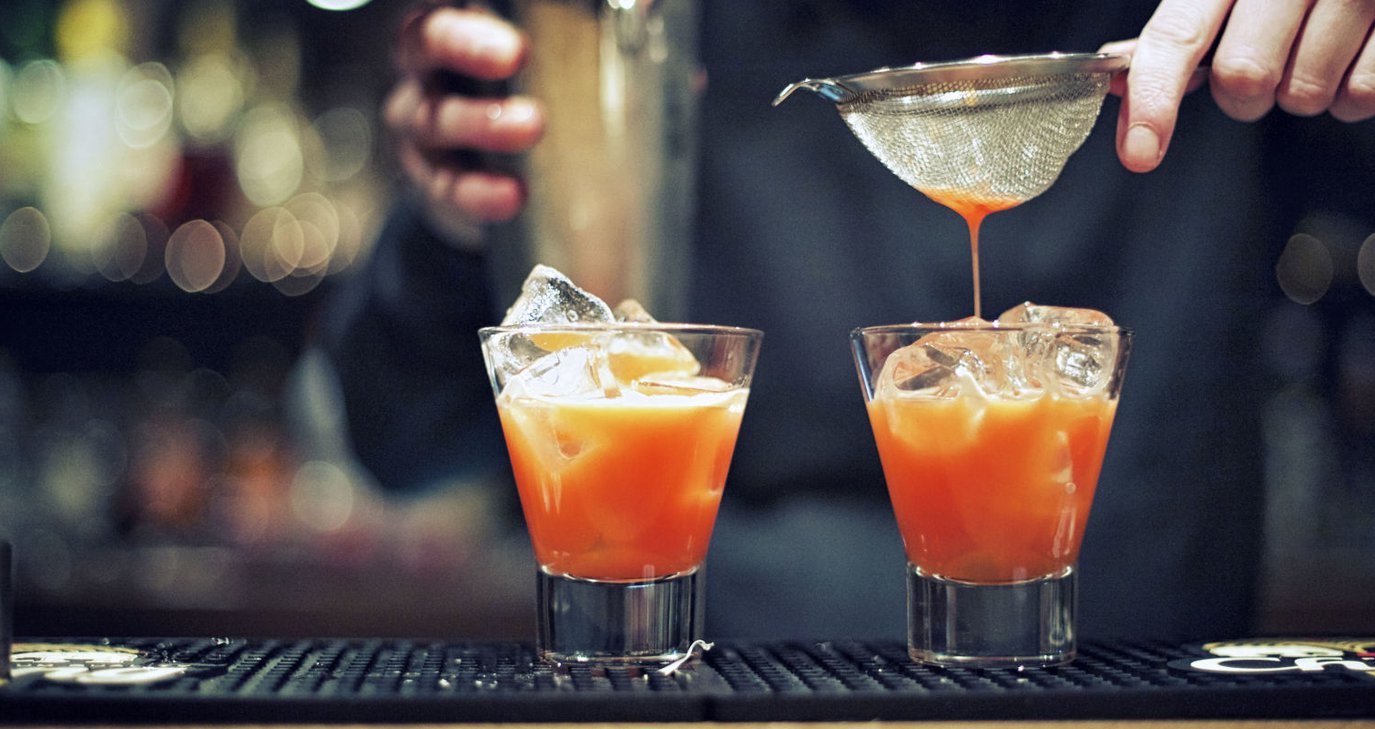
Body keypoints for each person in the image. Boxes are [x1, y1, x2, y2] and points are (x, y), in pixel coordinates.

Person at [312, 0, 1375, 641]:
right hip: (725, 695)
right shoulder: (630, 31)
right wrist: (461, 218)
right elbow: (402, 441)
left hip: (1144, 694)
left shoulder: (1227, 27)